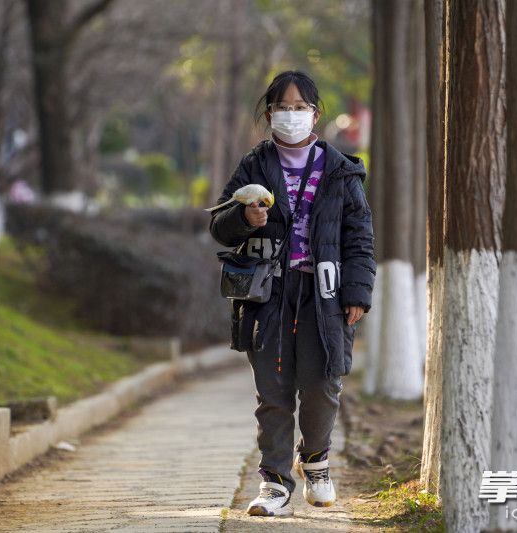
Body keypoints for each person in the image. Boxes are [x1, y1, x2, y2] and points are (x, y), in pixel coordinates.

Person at [208, 70, 375, 517]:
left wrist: (358, 293)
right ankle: (275, 484)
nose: (292, 115)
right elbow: (219, 226)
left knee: (323, 384)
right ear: (270, 113)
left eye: (301, 108)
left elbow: (360, 239)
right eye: (284, 107)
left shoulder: (341, 170)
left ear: (316, 115)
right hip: (269, 295)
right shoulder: (254, 165)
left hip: (325, 296)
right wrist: (245, 219)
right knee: (274, 390)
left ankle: (316, 462)